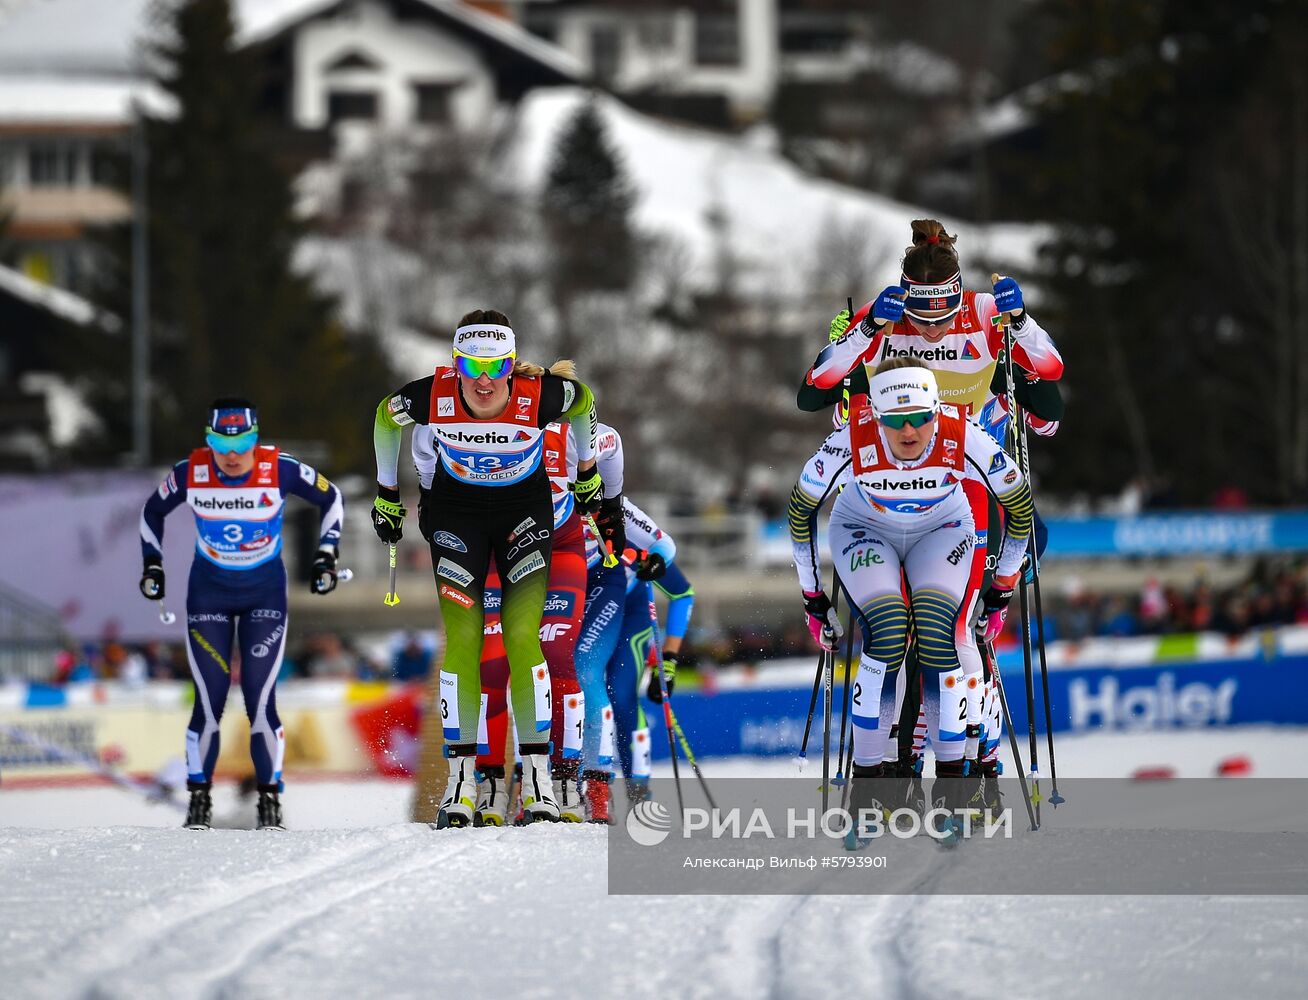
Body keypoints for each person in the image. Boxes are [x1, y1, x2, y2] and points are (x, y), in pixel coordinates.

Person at [798, 219, 1062, 792]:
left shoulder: (987, 312)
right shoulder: (886, 315)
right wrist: (864, 328)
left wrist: (1022, 323)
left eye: (943, 315)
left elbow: (1051, 379)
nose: (932, 329)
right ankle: (891, 761)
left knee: (956, 632)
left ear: (959, 294)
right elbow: (814, 390)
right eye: (921, 316)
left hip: (972, 487)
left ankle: (973, 760)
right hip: (891, 491)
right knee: (891, 634)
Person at [372, 309, 603, 827]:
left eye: (495, 367)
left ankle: (539, 780)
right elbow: (386, 418)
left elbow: (583, 400)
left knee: (523, 637)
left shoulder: (538, 396)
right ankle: (462, 785)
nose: (482, 380)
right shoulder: (430, 397)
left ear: (510, 366)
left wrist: (586, 470)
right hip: (459, 516)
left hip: (523, 513)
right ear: (454, 364)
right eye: (470, 367)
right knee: (465, 642)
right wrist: (388, 492)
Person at [788, 360, 1032, 844]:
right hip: (863, 529)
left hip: (942, 530)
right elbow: (801, 511)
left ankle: (952, 790)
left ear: (936, 410)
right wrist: (813, 598)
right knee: (889, 632)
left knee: (940, 637)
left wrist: (1001, 587)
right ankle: (870, 792)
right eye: (894, 420)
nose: (909, 430)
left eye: (920, 417)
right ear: (873, 414)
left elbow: (1020, 508)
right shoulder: (852, 438)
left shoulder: (962, 433)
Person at [138, 398, 344, 830]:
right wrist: (152, 565)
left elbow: (333, 499)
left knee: (259, 699)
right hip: (208, 597)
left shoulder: (280, 468)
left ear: (255, 438)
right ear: (208, 440)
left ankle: (269, 802)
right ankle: (199, 801)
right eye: (220, 443)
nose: (231, 455)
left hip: (264, 597)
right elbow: (152, 512)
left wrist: (325, 555)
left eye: (243, 442)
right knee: (209, 702)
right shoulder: (190, 472)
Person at [411, 417, 622, 824]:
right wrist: (426, 492)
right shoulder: (464, 428)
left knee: (556, 655)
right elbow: (422, 441)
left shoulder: (568, 436)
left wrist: (611, 504)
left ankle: (560, 779)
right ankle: (490, 781)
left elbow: (612, 447)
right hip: (493, 549)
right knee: (490, 662)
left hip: (558, 546)